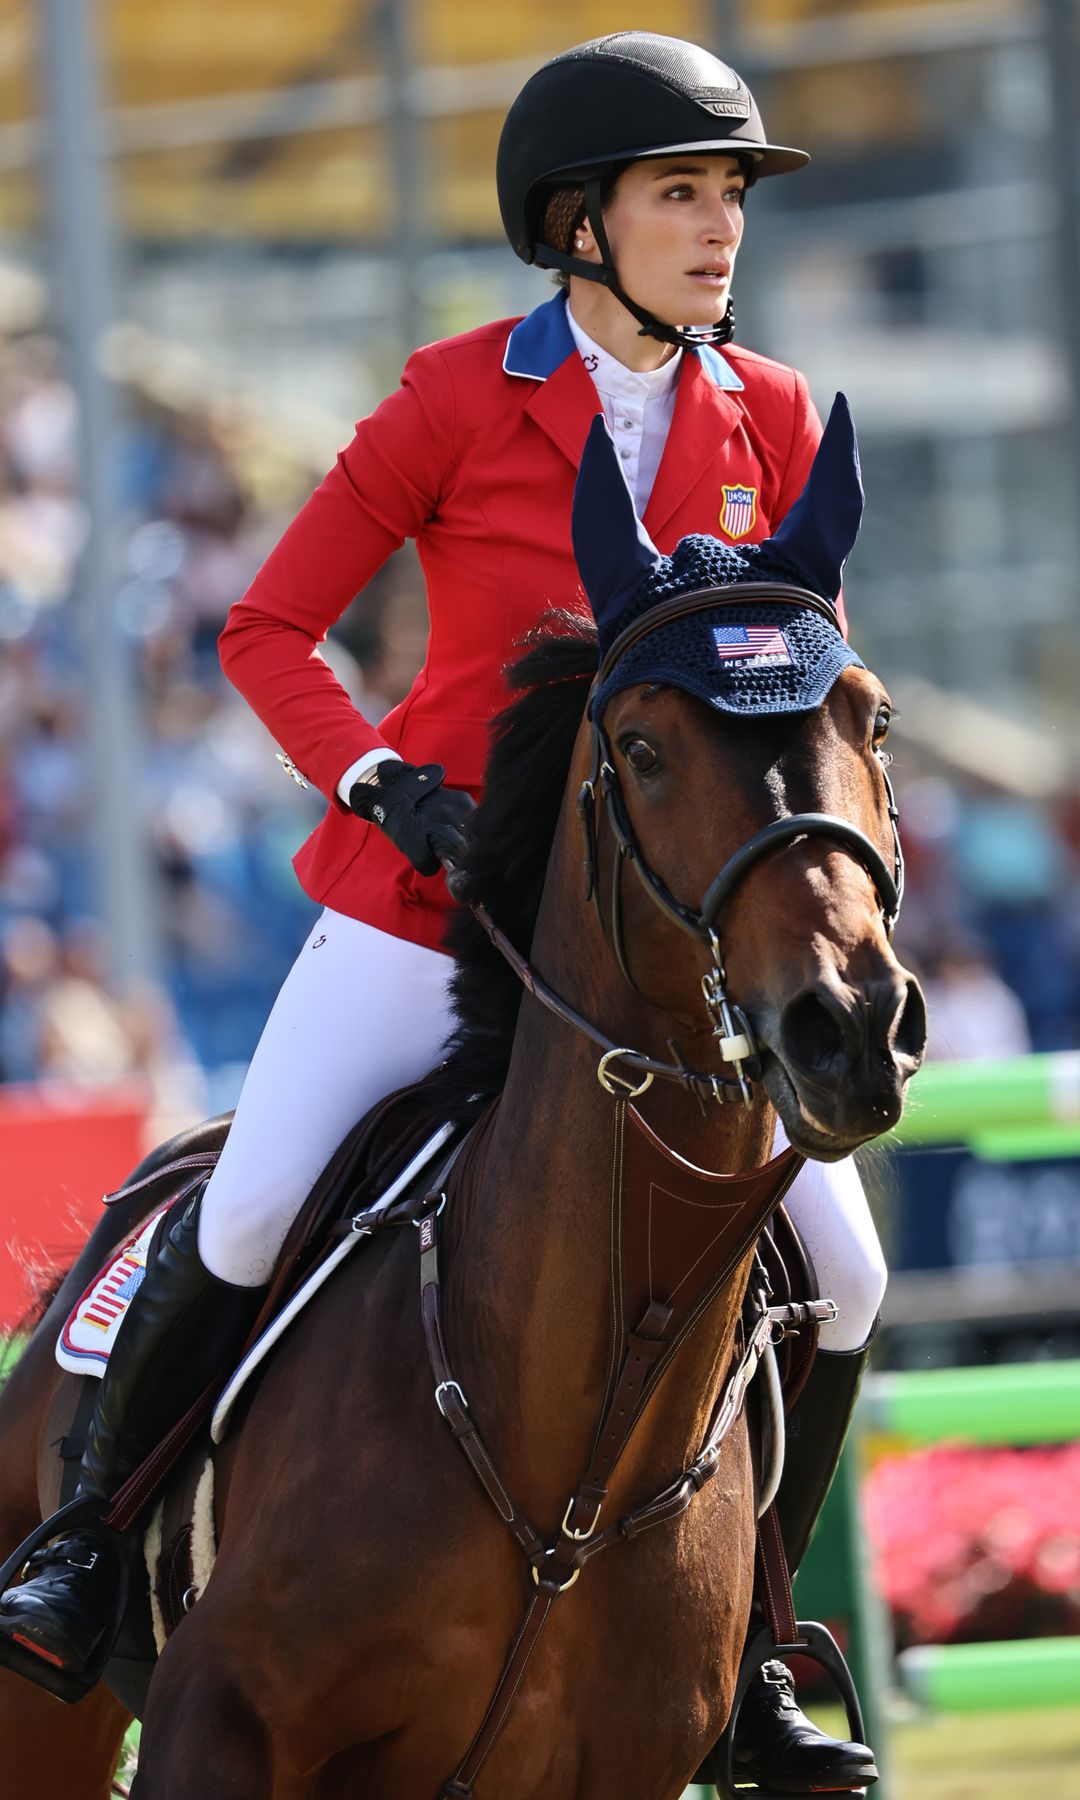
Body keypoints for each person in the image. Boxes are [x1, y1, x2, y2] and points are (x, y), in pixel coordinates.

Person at [0, 32, 882, 1789]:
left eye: (729, 194)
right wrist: (376, 778)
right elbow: (266, 629)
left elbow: (801, 689)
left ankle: (755, 1651)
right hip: (429, 909)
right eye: (682, 193)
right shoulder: (458, 399)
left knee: (845, 1273)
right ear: (578, 223)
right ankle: (83, 1546)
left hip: (666, 950)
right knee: (255, 1197)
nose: (721, 226)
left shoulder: (776, 420)